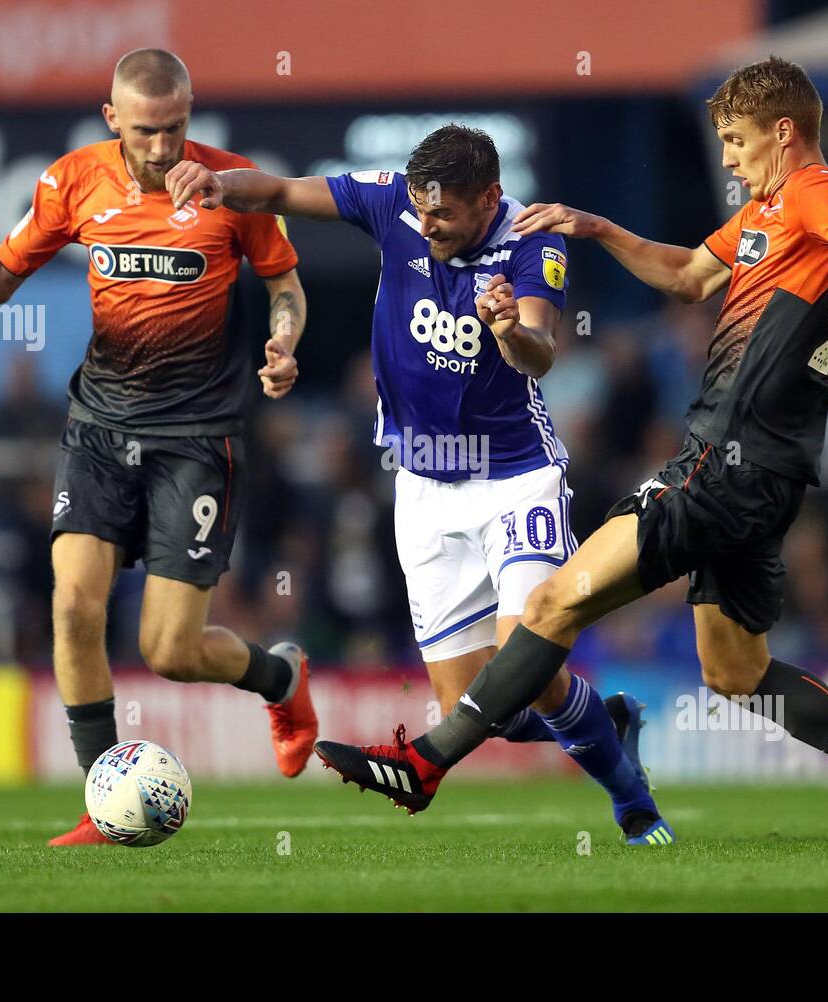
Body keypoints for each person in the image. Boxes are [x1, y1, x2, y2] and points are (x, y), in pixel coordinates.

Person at [312, 57, 828, 843]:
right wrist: (599, 228)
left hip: (721, 459)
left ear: (783, 133)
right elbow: (690, 275)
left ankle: (425, 765)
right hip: (771, 478)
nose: (726, 157)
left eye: (736, 139)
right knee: (736, 671)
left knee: (552, 606)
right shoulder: (766, 215)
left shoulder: (817, 193)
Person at [166, 124, 673, 845]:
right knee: (476, 704)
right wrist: (220, 185)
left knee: (524, 659)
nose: (426, 223)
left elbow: (539, 355)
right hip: (423, 491)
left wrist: (505, 329)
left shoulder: (532, 239)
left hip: (514, 481)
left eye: (443, 214)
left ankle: (635, 806)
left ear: (489, 197)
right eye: (420, 208)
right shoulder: (393, 206)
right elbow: (277, 189)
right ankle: (606, 718)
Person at [0, 49, 318, 846]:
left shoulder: (234, 184)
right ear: (112, 118)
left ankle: (280, 675)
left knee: (170, 651)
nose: (164, 148)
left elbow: (284, 285)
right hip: (98, 427)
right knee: (74, 606)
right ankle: (99, 797)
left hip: (195, 440)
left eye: (178, 129)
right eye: (148, 130)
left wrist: (284, 343)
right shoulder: (70, 181)